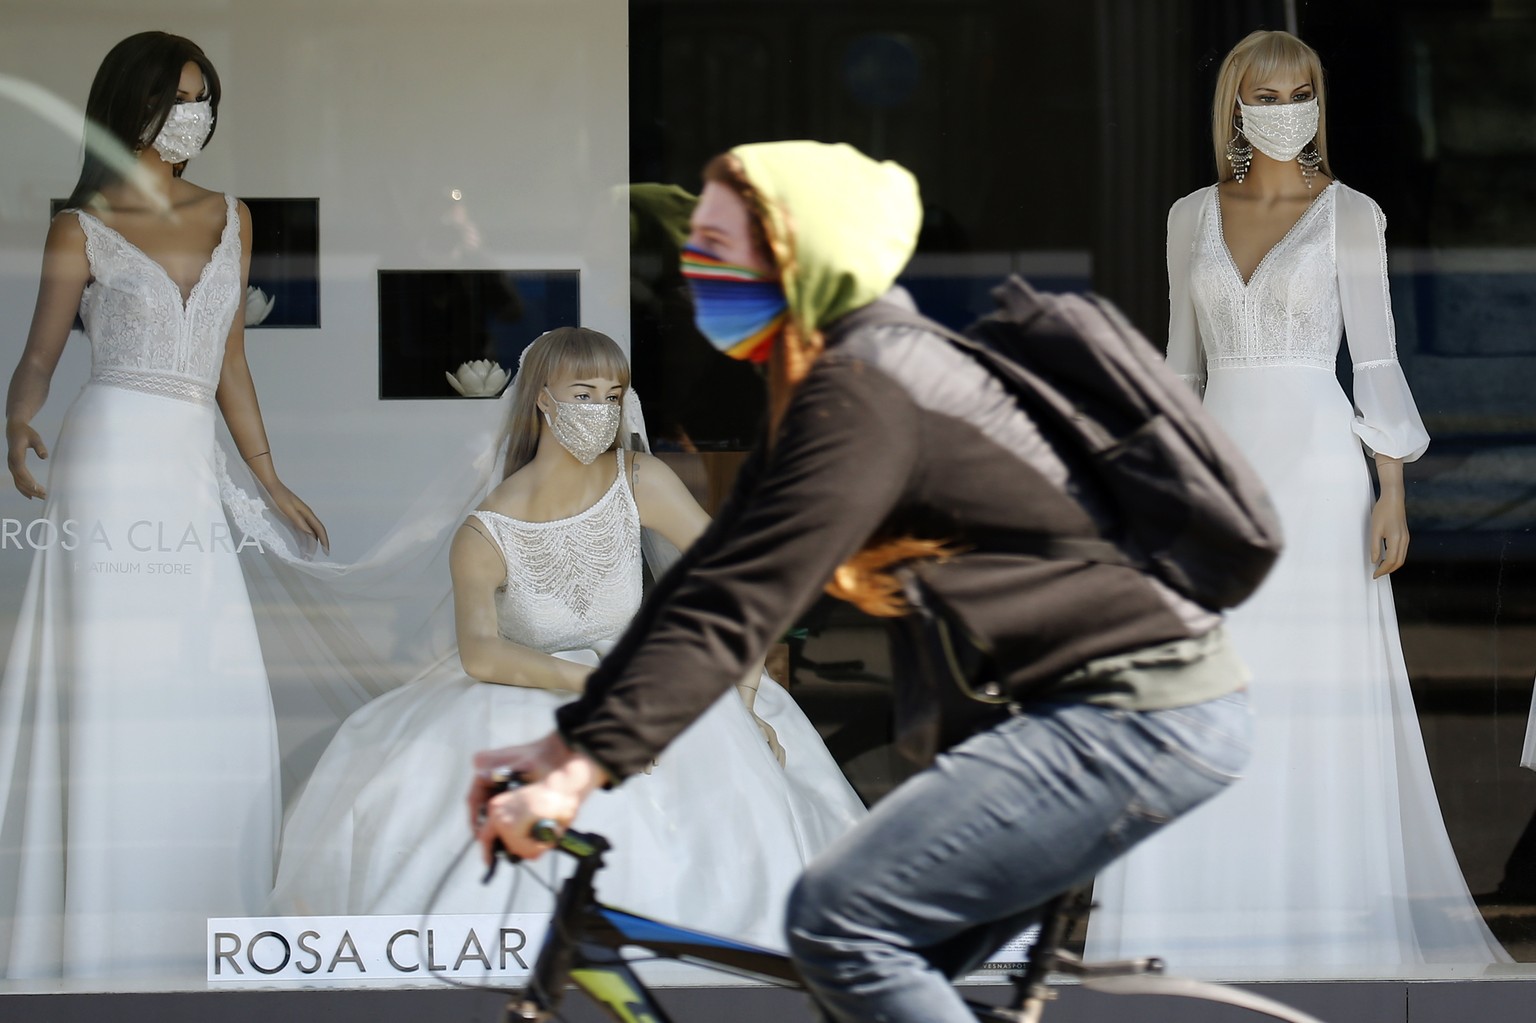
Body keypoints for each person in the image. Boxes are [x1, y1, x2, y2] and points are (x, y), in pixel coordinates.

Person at [468, 141, 1254, 1023]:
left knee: (837, 924)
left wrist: (576, 759)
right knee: (883, 966)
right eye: (695, 250)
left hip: (1122, 714)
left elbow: (737, 598)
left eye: (722, 251)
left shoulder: (867, 384)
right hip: (1090, 710)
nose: (694, 274)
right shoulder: (843, 376)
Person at [1085, 30, 1508, 971]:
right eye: (1264, 92)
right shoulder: (1189, 214)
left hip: (1320, 474)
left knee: (1313, 696)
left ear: (1319, 98)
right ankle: (1195, 919)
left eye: (1300, 90)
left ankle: (1323, 926)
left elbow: (1381, 358)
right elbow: (1178, 368)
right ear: (1234, 103)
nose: (1284, 107)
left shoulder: (1353, 214)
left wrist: (1390, 490)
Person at [269, 327, 864, 948]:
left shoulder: (640, 480)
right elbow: (482, 653)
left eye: (614, 395)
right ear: (542, 400)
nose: (602, 412)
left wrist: (744, 702)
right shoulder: (485, 532)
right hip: (537, 686)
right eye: (583, 394)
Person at [0, 32, 328, 978]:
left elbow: (230, 360)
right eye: (183, 95)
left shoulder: (233, 216)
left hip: (188, 462)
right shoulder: (82, 223)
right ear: (134, 102)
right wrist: (19, 419)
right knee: (113, 682)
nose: (199, 113)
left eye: (207, 96)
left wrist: (267, 476)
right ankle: (100, 930)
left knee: (206, 673)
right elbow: (39, 354)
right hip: (107, 459)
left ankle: (197, 920)